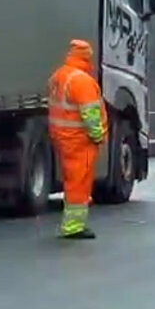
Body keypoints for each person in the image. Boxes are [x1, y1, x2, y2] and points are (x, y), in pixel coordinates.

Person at [47, 39, 107, 239]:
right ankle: (74, 226)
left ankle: (73, 224)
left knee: (72, 180)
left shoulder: (59, 76)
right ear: (85, 57)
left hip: (64, 138)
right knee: (79, 184)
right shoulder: (81, 81)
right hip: (79, 141)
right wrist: (98, 136)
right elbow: (90, 114)